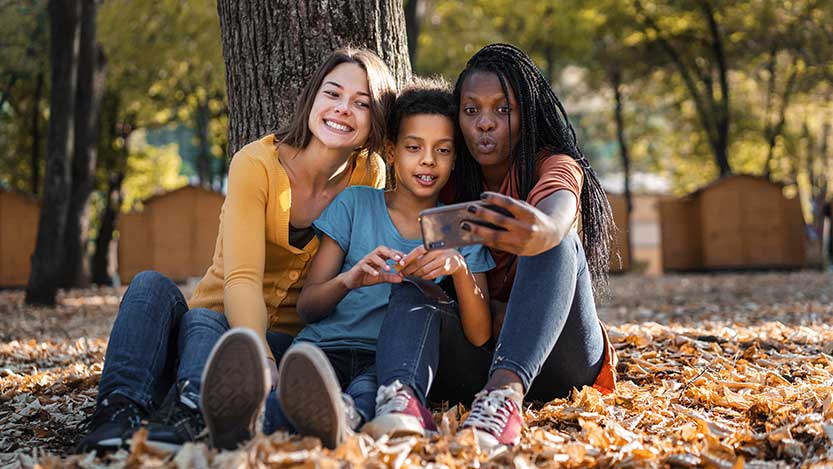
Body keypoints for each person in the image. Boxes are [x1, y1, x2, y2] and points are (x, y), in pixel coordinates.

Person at [75, 48, 396, 453]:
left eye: (362, 103)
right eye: (332, 94)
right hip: (213, 328)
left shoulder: (369, 175)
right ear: (313, 99)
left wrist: (269, 358)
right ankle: (116, 415)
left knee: (236, 343)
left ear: (377, 119)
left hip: (284, 346)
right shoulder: (256, 164)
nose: (343, 109)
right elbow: (242, 278)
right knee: (153, 288)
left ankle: (190, 416)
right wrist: (258, 355)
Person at [200, 77, 494, 450]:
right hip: (321, 347)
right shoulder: (356, 204)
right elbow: (308, 307)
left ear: (455, 159)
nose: (427, 160)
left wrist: (458, 268)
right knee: (291, 394)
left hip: (382, 360)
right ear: (391, 150)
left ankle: (339, 423)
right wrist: (350, 280)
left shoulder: (458, 225)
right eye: (413, 147)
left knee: (367, 397)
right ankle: (246, 427)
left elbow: (480, 334)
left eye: (443, 150)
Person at [365, 43, 618, 450]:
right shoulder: (445, 178)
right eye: (471, 111)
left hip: (561, 359)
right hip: (477, 352)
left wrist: (542, 230)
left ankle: (505, 397)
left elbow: (558, 213)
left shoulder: (551, 165)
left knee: (556, 243)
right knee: (414, 283)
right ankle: (402, 401)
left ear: (527, 114)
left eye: (503, 110)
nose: (485, 123)